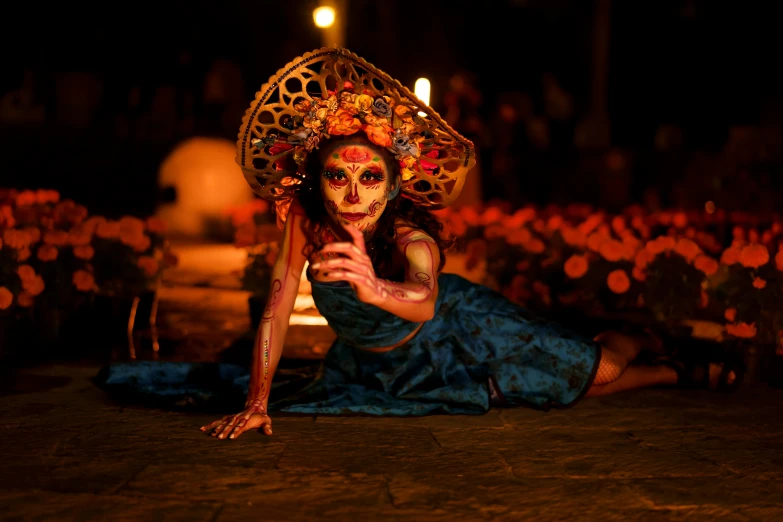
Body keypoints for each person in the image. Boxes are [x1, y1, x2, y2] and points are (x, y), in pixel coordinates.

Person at [191, 49, 747, 440]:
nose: (354, 195)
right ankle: (675, 371)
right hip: (377, 363)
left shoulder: (412, 238)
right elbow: (278, 307)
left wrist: (370, 283)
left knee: (593, 373)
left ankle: (632, 339)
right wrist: (257, 403)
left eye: (370, 180)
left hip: (463, 325)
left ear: (393, 184)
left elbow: (426, 301)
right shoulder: (307, 224)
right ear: (320, 178)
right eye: (339, 177)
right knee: (540, 391)